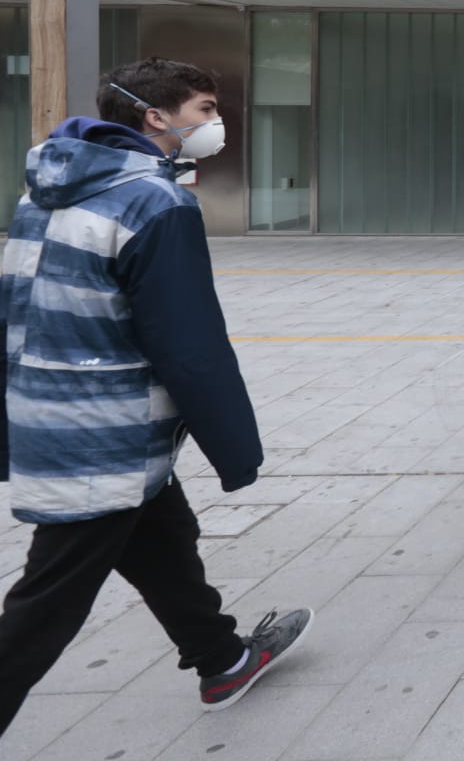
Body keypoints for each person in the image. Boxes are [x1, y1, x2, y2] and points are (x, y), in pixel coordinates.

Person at [0, 58, 311, 731]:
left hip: (55, 413)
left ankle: (221, 659)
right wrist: (237, 449)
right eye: (205, 109)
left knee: (164, 536)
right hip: (100, 433)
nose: (215, 123)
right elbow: (188, 342)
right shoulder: (156, 202)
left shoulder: (42, 189)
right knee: (44, 605)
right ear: (156, 117)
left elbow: (13, 309)